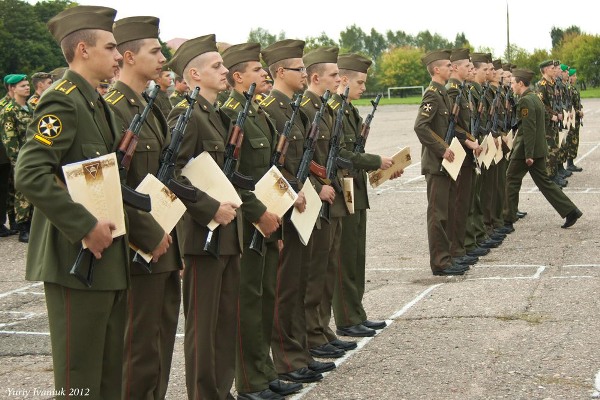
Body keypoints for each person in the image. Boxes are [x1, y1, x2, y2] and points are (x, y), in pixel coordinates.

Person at [14, 6, 129, 399]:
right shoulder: (62, 101)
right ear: (83, 49)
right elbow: (30, 174)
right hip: (75, 258)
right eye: (111, 47)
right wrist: (84, 226)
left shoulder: (96, 103)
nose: (118, 56)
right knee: (80, 378)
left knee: (110, 372)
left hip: (106, 259)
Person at [105, 16, 180, 400]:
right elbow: (110, 186)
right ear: (129, 56)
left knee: (161, 337)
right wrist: (149, 234)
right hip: (139, 243)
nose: (163, 57)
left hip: (164, 238)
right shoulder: (114, 109)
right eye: (155, 51)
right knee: (138, 344)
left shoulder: (151, 105)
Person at [220, 42, 297, 400]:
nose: (264, 74)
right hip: (247, 220)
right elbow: (229, 175)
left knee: (265, 298)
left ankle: (263, 372)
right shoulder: (229, 112)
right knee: (247, 303)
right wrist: (258, 213)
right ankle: (249, 381)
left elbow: (268, 171)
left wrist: (275, 215)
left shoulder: (255, 112)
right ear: (238, 76)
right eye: (255, 70)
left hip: (267, 218)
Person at [168, 34, 240, 400]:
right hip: (202, 234)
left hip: (228, 232)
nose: (225, 70)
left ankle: (220, 390)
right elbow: (173, 173)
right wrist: (210, 208)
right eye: (217, 66)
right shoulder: (186, 115)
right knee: (203, 324)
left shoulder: (217, 114)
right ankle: (202, 394)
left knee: (225, 322)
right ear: (194, 73)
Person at [259, 38, 332, 385]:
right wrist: (293, 191)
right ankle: (286, 358)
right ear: (279, 72)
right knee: (285, 287)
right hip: (285, 208)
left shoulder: (294, 108)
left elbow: (303, 161)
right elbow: (272, 165)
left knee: (299, 284)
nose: (305, 73)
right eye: (299, 69)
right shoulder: (269, 108)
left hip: (302, 204)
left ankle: (300, 350)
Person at [332, 53, 400, 338]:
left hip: (356, 188)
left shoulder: (350, 111)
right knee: (345, 257)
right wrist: (375, 161)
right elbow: (339, 155)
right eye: (359, 82)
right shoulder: (334, 110)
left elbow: (354, 155)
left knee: (357, 256)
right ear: (343, 80)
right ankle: (347, 319)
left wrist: (381, 169)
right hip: (342, 190)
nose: (363, 87)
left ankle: (356, 313)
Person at [502, 69, 582, 230]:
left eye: (512, 83)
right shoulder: (535, 98)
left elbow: (529, 128)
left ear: (520, 83)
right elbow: (545, 118)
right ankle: (570, 210)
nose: (511, 86)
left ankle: (507, 220)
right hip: (538, 148)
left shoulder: (525, 101)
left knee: (511, 179)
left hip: (526, 150)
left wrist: (529, 154)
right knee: (545, 182)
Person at [414, 50, 468, 276]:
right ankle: (440, 262)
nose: (451, 68)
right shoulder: (432, 95)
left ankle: (447, 257)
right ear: (437, 69)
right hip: (436, 164)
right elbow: (420, 126)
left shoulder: (443, 94)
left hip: (445, 163)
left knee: (446, 212)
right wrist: (443, 149)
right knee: (438, 215)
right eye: (447, 65)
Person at [445, 48, 484, 267]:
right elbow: (450, 127)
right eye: (468, 66)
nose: (472, 70)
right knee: (459, 204)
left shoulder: (462, 89)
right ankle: (457, 249)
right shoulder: (452, 91)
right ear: (456, 67)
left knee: (465, 202)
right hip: (458, 153)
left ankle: (461, 247)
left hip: (467, 151)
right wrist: (467, 140)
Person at [0, 74, 33, 243]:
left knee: (31, 190)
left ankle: (30, 223)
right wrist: (17, 159)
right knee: (21, 192)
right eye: (22, 86)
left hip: (33, 155)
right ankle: (22, 227)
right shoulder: (8, 111)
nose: (27, 88)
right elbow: (9, 139)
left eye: (27, 85)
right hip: (21, 157)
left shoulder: (29, 108)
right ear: (12, 89)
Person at [536, 60, 566, 187]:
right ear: (546, 70)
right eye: (553, 68)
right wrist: (551, 115)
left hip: (554, 122)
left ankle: (554, 175)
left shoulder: (552, 84)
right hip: (547, 123)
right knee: (550, 150)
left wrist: (558, 113)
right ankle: (550, 178)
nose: (555, 70)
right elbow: (540, 105)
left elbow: (555, 102)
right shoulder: (541, 85)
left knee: (555, 149)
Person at [566, 68, 583, 172]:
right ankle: (569, 164)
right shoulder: (569, 89)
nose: (575, 77)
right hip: (571, 120)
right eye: (574, 75)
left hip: (576, 119)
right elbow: (570, 106)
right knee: (571, 140)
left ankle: (571, 163)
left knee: (574, 140)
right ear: (570, 77)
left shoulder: (572, 88)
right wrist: (577, 112)